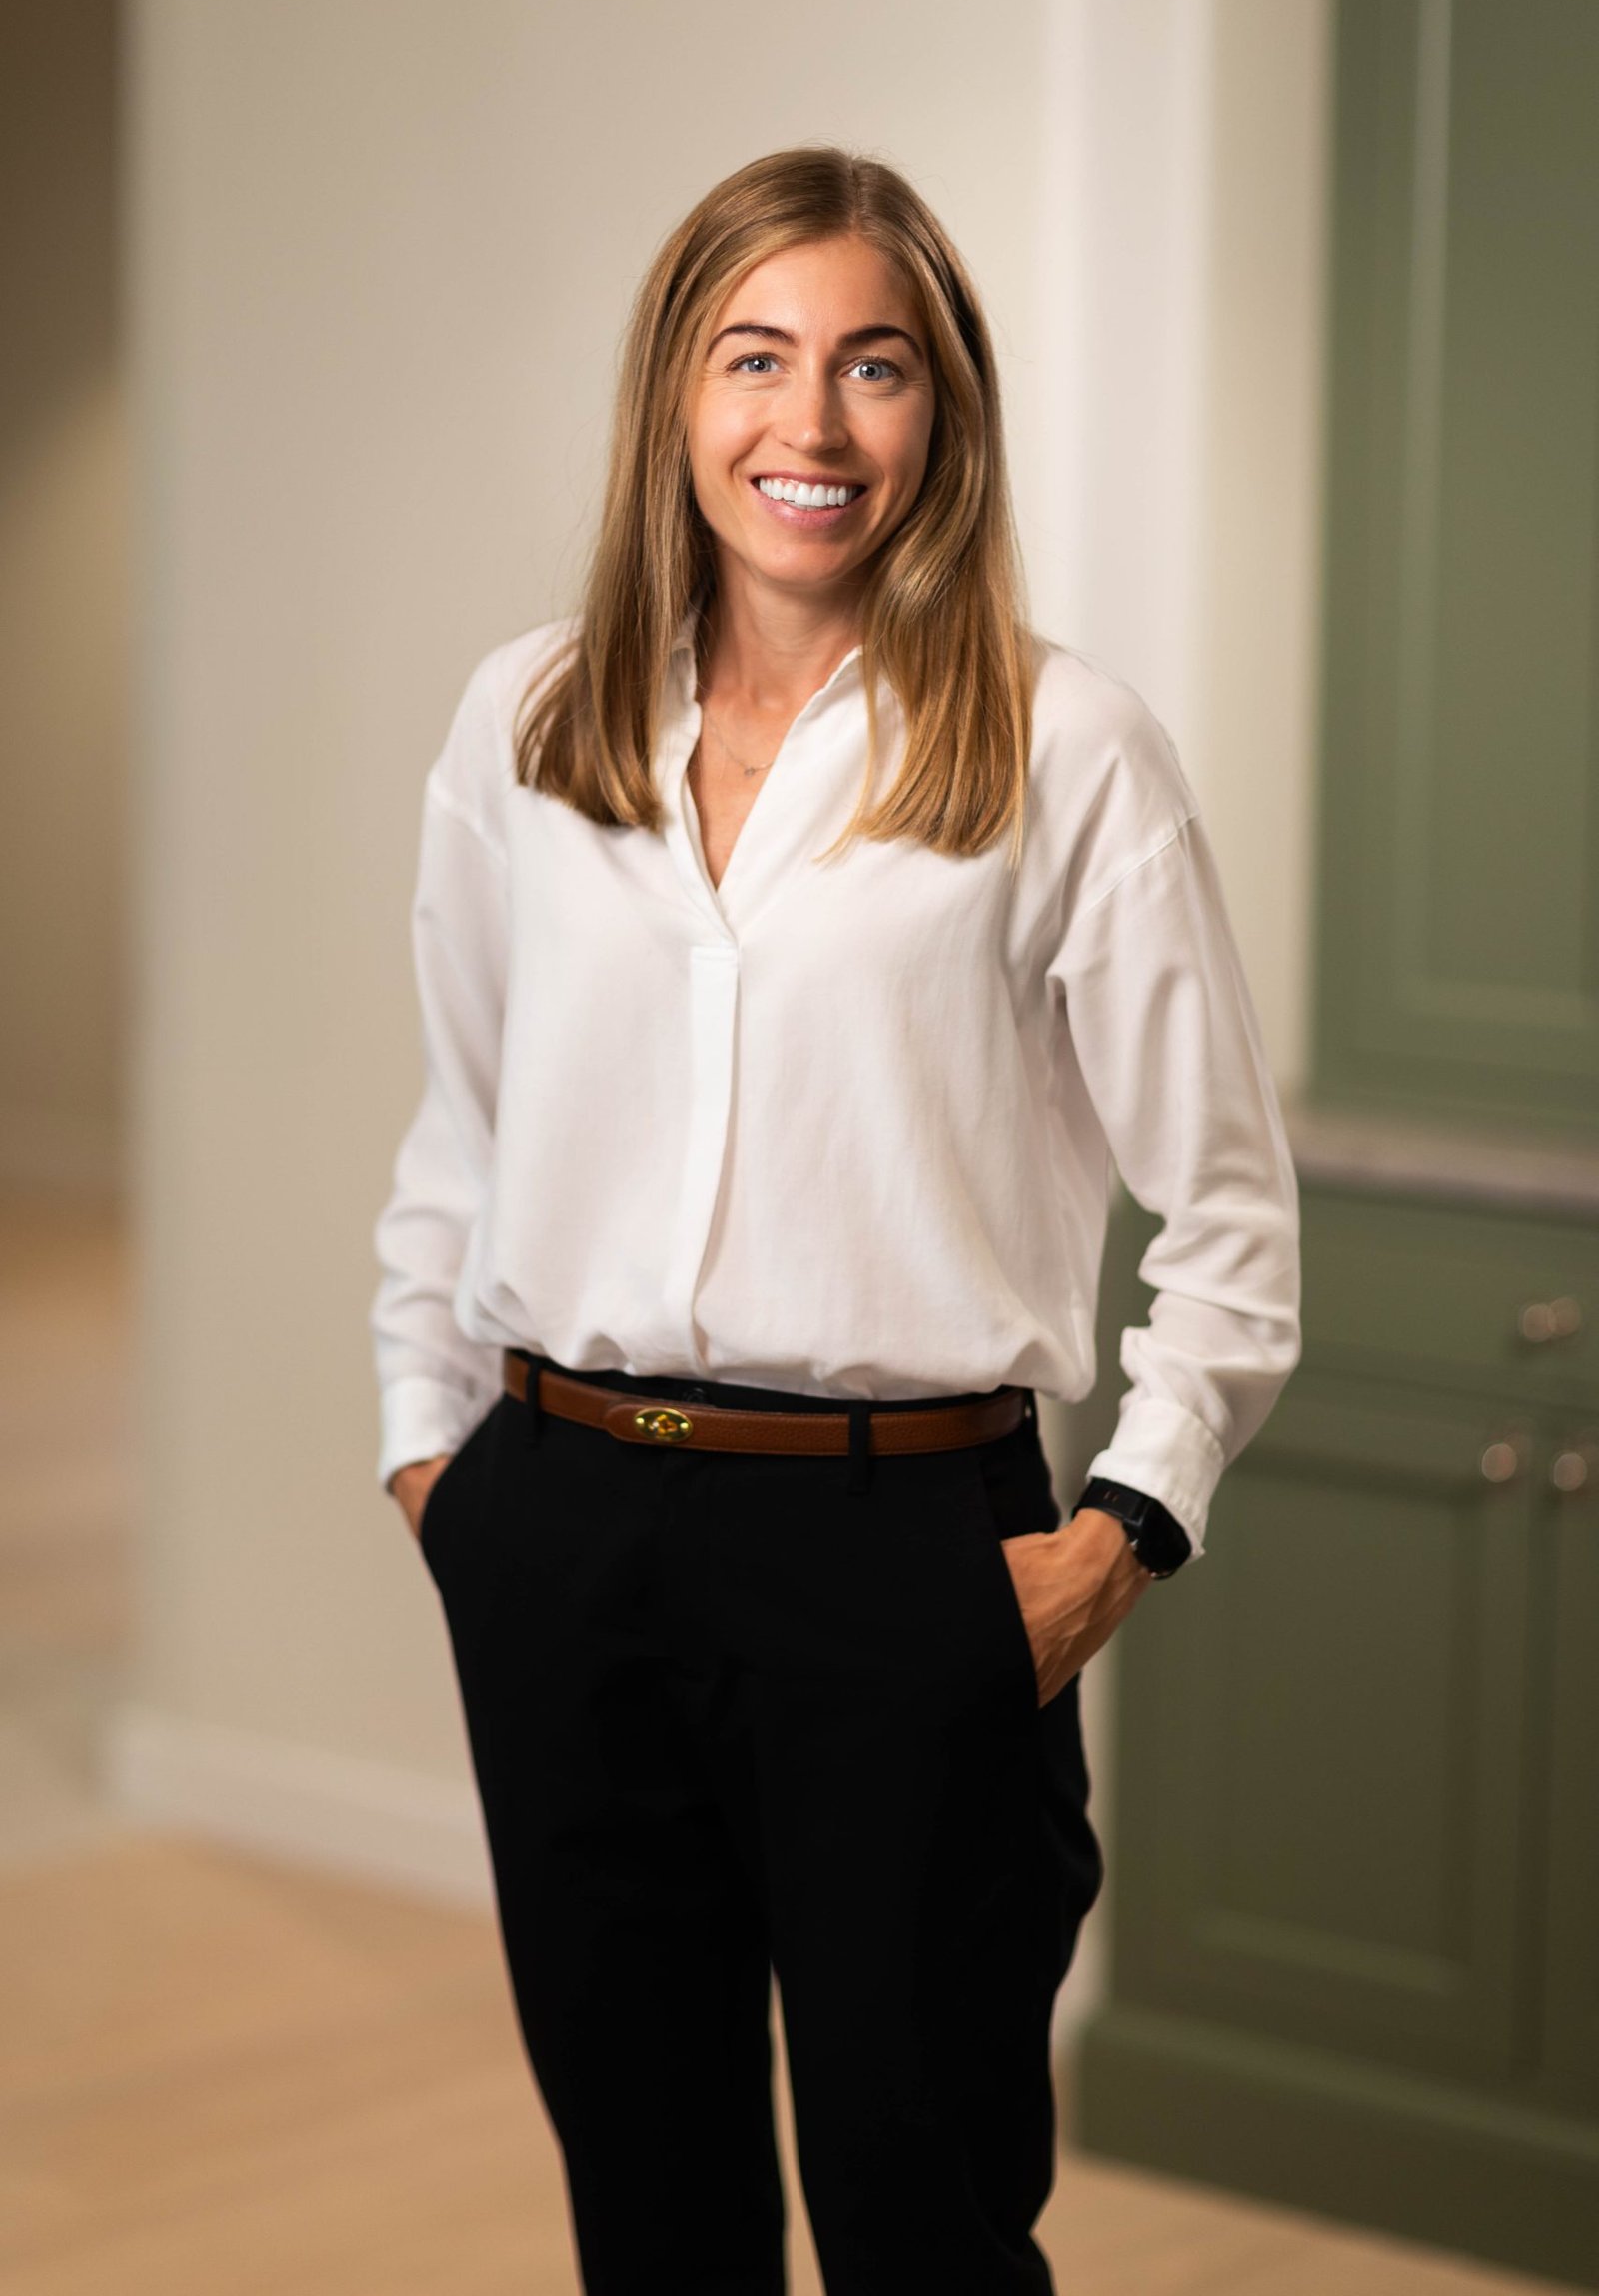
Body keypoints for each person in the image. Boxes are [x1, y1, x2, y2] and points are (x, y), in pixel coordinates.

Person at [369, 144, 1301, 2296]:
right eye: (756, 357)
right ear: (672, 397)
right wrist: (438, 1462)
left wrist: (1124, 1527)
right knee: (653, 2215)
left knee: (927, 2218)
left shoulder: (1066, 748)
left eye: (871, 367)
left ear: (940, 413)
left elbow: (1226, 1207)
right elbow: (464, 1122)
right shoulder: (525, 724)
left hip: (906, 1559)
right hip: (562, 1533)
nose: (808, 426)